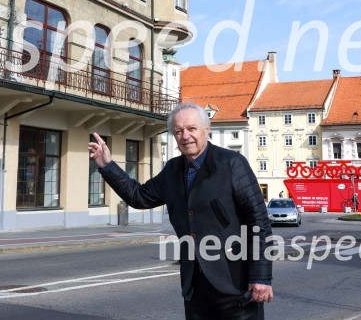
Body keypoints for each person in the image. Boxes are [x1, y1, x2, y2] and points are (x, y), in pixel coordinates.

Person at [89, 102, 273, 320]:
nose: (185, 136)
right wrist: (107, 166)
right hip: (195, 288)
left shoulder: (232, 163)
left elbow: (258, 221)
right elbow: (139, 197)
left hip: (236, 285)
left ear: (206, 129)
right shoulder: (172, 169)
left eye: (192, 128)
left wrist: (261, 278)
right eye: (178, 131)